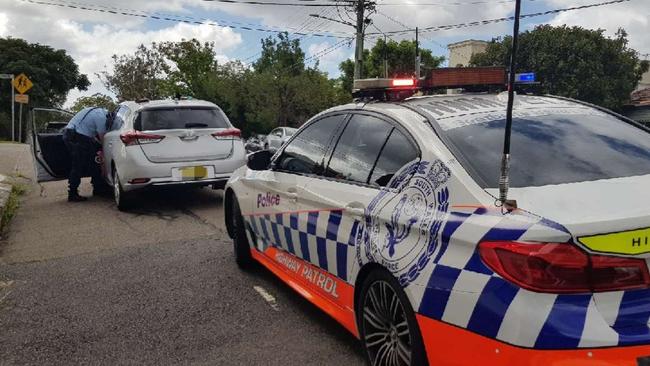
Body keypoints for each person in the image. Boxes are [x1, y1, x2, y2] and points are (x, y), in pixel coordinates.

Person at [62, 107, 112, 202]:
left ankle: (98, 188)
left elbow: (93, 135)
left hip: (70, 133)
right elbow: (103, 139)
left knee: (93, 160)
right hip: (78, 137)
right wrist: (106, 152)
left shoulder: (95, 110)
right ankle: (73, 194)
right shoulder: (102, 118)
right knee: (79, 164)